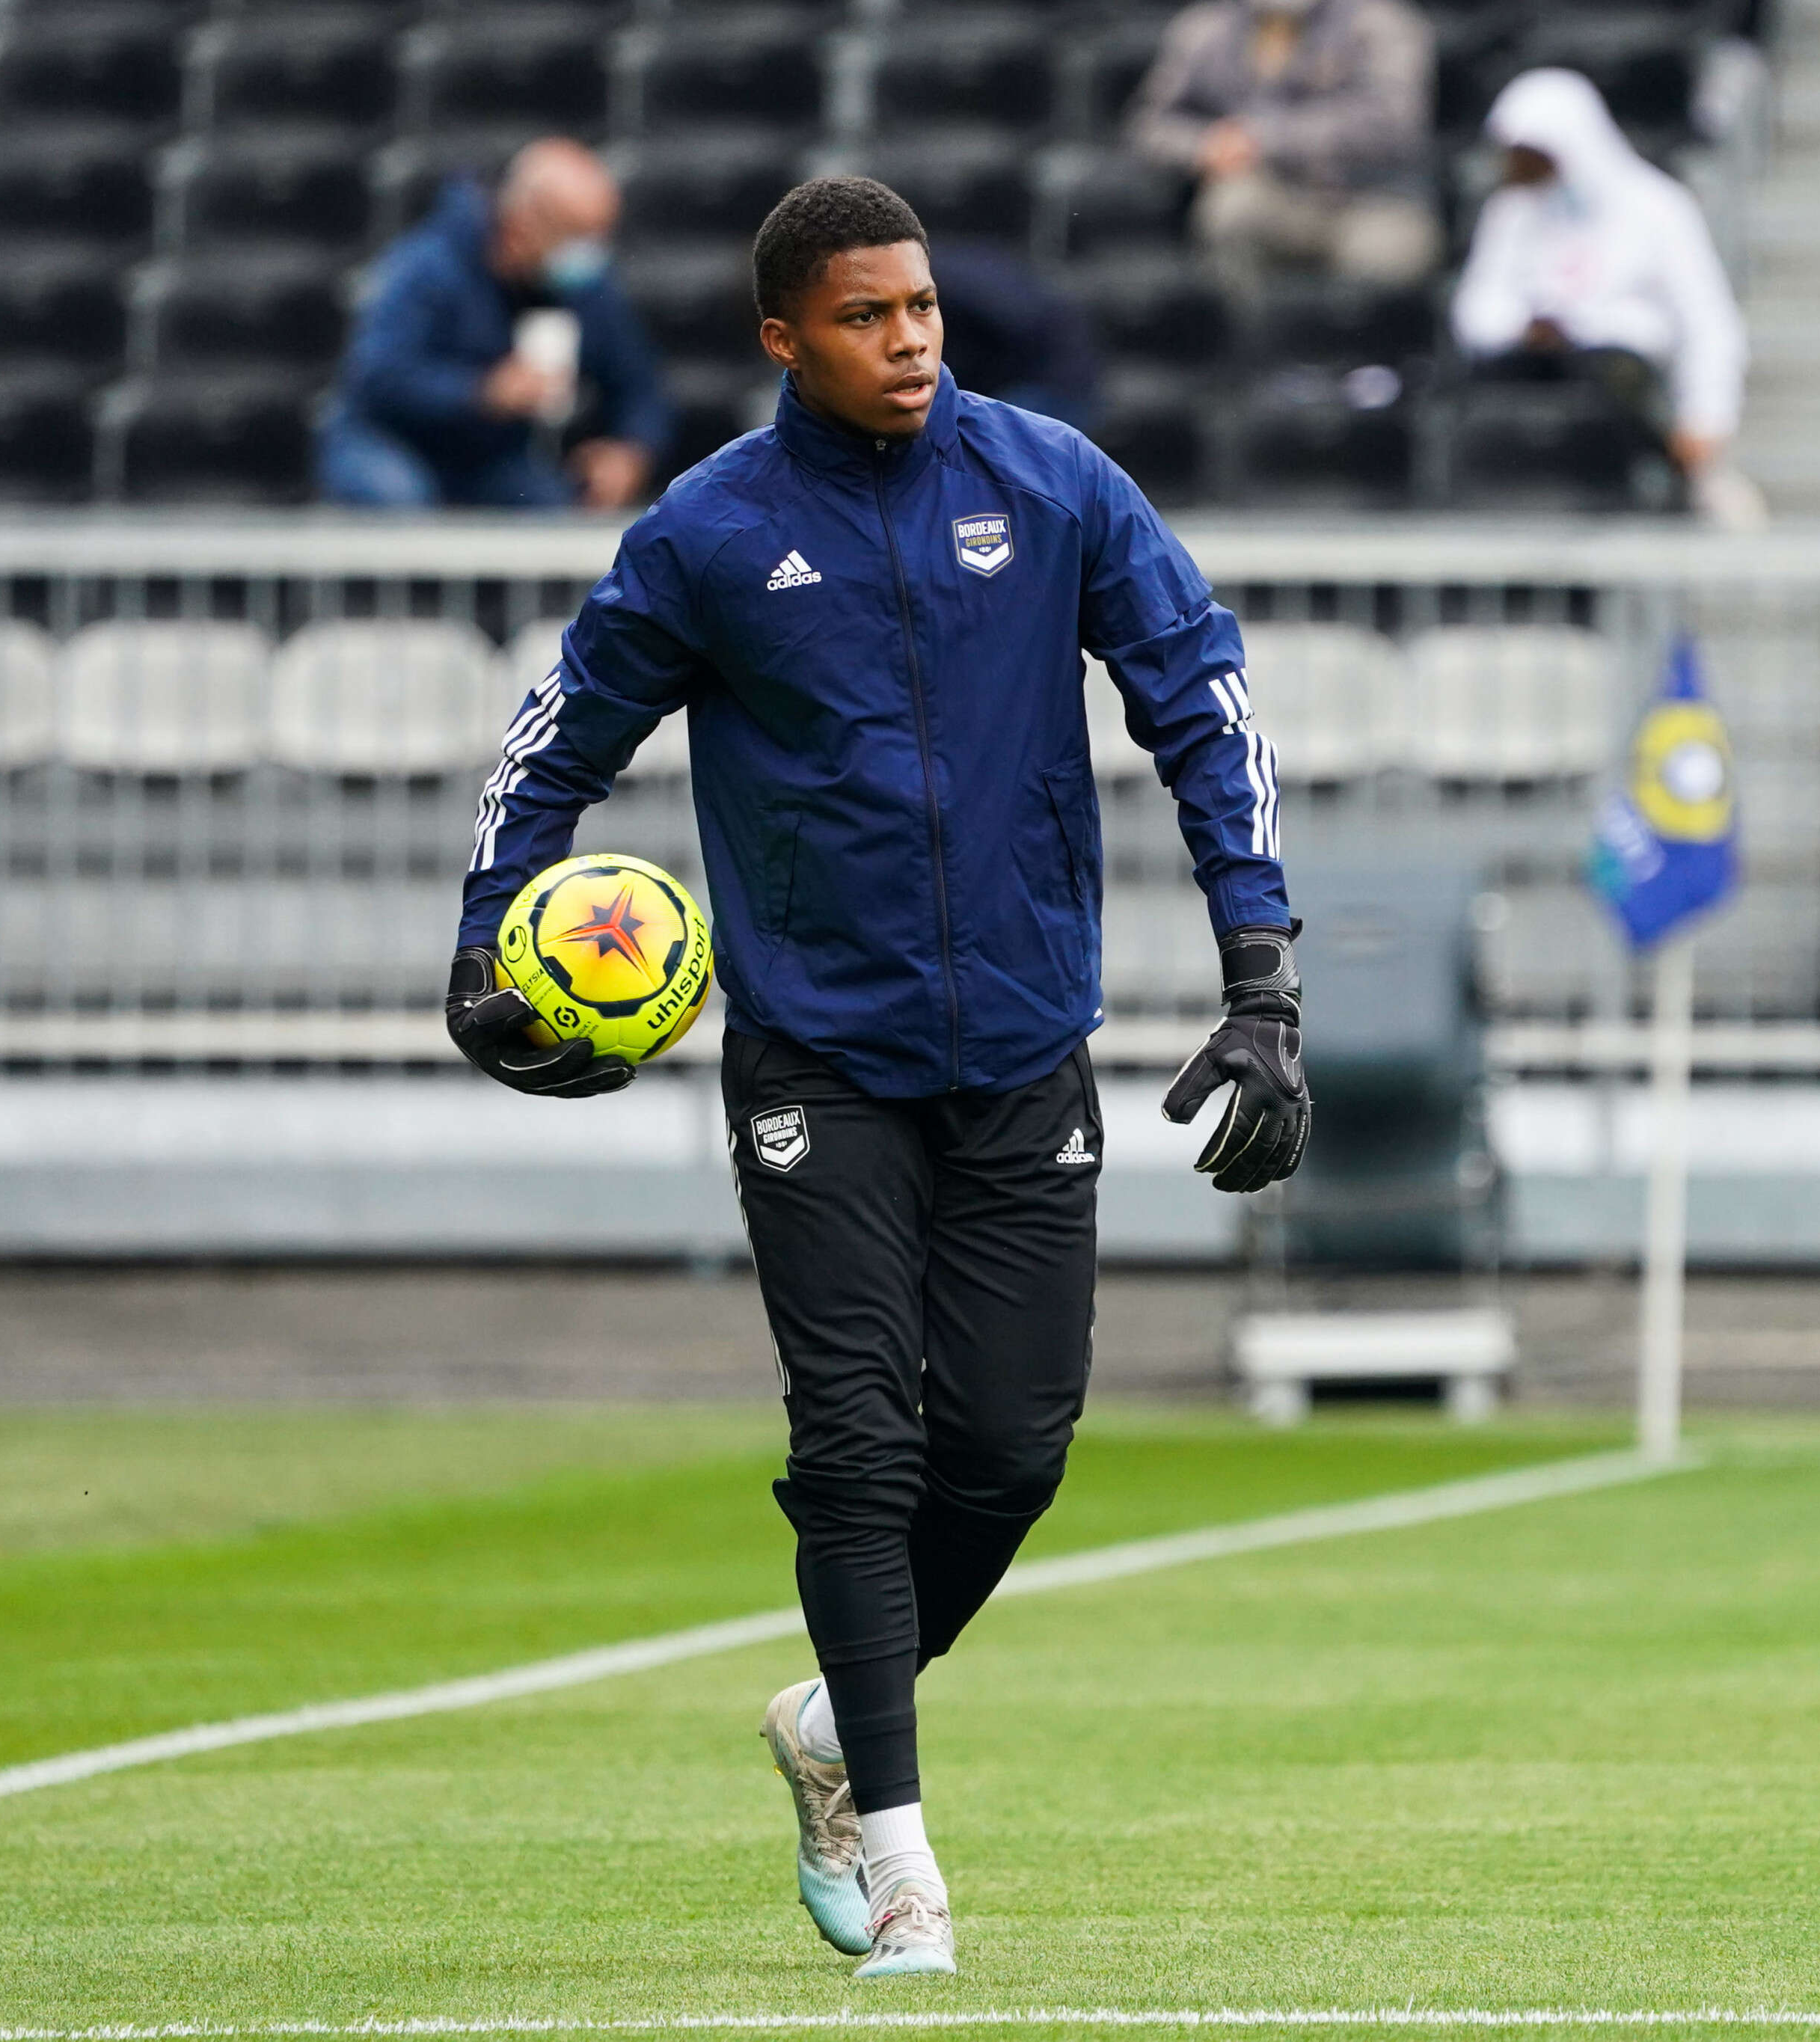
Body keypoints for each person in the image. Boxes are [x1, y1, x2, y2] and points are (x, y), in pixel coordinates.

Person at [445, 177, 1308, 1978]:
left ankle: (843, 1715)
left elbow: (1204, 699)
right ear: (784, 337)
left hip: (1018, 1052)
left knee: (1009, 1447)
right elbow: (559, 733)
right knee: (857, 1439)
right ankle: (900, 1860)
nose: (910, 340)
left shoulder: (1054, 486)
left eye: (921, 309)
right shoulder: (707, 535)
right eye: (866, 317)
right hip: (814, 1057)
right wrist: (482, 941)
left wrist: (1262, 982)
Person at [1450, 68, 1764, 526]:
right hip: (1531, 367)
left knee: (1616, 375)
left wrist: (1707, 416)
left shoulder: (1658, 207)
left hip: (1625, 384)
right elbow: (1476, 309)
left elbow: (1706, 319)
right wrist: (1523, 328)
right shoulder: (1513, 210)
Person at [321, 139, 670, 512]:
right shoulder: (426, 267)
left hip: (489, 460)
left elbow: (639, 384)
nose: (590, 252)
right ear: (522, 221)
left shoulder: (586, 288)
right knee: (400, 505)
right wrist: (482, 392)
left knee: (555, 511)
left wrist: (630, 450)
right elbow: (378, 378)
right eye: (576, 234)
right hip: (390, 441)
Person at [1129, 0, 1438, 301]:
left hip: (1375, 201)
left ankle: (1360, 353)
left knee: (1385, 257)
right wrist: (1206, 146)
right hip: (1277, 194)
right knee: (1231, 209)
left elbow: (1394, 125)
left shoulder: (1382, 20)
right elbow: (1149, 125)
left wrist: (1261, 139)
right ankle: (1246, 342)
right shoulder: (1205, 26)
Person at [928, 241, 1100, 434]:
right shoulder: (943, 270)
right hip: (1037, 365)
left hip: (1049, 379)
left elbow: (1017, 319)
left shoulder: (949, 282)